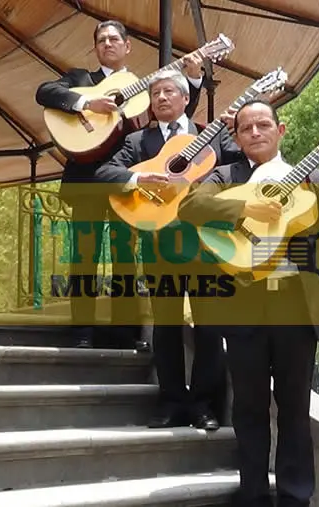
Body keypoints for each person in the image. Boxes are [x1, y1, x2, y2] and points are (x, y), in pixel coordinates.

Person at [178, 99, 319, 507]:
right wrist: (245, 205)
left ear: (281, 131)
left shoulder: (314, 176)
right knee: (249, 408)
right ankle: (254, 496)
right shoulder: (226, 175)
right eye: (246, 128)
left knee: (295, 408)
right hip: (242, 305)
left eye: (264, 125)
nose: (256, 132)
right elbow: (190, 205)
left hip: (296, 305)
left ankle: (296, 498)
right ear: (237, 137)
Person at [35, 20, 205, 349]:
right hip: (86, 178)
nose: (107, 44)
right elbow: (44, 92)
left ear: (128, 47)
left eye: (114, 39)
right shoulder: (80, 79)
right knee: (83, 256)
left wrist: (194, 79)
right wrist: (87, 104)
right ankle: (81, 331)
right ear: (95, 48)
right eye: (101, 40)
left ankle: (125, 333)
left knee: (125, 256)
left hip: (129, 181)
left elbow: (177, 119)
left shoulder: (145, 89)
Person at [97, 69, 242, 430]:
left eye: (167, 92)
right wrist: (138, 178)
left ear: (184, 98)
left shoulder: (212, 134)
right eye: (155, 93)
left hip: (207, 241)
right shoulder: (136, 141)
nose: (160, 98)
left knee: (210, 326)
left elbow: (242, 168)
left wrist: (238, 128)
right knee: (166, 325)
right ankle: (171, 400)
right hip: (159, 242)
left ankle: (205, 405)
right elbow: (103, 173)